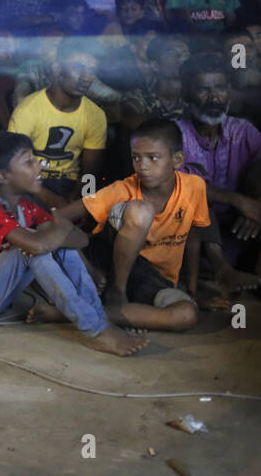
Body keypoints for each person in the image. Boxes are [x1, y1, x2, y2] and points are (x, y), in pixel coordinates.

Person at [0, 132, 147, 356]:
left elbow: (81, 239)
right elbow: (39, 246)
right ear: (2, 176)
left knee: (50, 241)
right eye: (28, 162)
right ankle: (94, 331)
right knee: (32, 249)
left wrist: (58, 230)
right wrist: (60, 227)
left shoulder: (26, 208)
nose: (38, 168)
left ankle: (100, 320)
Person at [57, 120, 222, 331]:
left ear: (177, 159)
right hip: (106, 270)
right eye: (136, 157)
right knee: (141, 211)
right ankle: (118, 293)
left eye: (153, 158)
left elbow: (194, 236)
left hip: (153, 280)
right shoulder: (121, 189)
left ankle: (73, 313)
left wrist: (192, 287)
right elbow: (58, 219)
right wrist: (87, 268)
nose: (142, 166)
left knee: (186, 315)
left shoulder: (194, 187)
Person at [176, 54, 261, 288]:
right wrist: (239, 201)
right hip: (193, 228)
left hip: (240, 224)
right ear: (188, 94)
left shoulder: (241, 129)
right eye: (203, 89)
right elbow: (179, 185)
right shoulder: (175, 133)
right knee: (194, 197)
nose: (214, 97)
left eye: (220, 88)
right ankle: (223, 270)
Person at [7, 38, 106, 207]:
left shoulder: (95, 115)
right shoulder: (28, 110)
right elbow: (13, 165)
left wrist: (82, 202)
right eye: (78, 68)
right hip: (30, 180)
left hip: (68, 183)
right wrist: (51, 199)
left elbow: (89, 173)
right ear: (57, 68)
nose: (86, 77)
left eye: (91, 71)